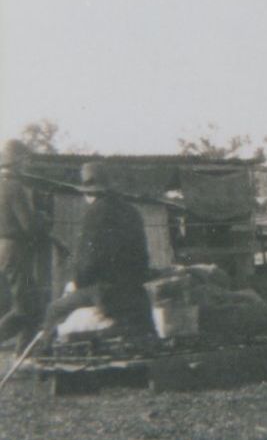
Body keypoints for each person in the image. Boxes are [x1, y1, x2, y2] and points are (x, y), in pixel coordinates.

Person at [39, 161, 153, 346]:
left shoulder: (95, 213)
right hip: (136, 291)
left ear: (87, 193)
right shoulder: (132, 211)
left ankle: (43, 355)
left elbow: (87, 261)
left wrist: (76, 283)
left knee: (54, 309)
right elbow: (143, 258)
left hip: (106, 292)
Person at [0, 139, 47, 352]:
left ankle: (24, 354)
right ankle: (23, 353)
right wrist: (42, 218)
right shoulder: (14, 187)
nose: (27, 165)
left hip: (5, 249)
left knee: (30, 305)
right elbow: (28, 225)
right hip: (15, 250)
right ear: (17, 161)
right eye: (25, 160)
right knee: (25, 307)